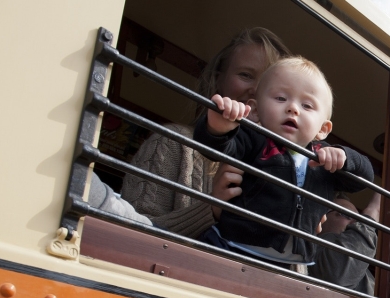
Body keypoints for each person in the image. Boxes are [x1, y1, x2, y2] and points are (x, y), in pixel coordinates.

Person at [193, 56, 374, 266]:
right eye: (280, 98)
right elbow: (216, 149)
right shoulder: (253, 138)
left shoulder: (323, 157)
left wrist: (345, 157)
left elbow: (364, 179)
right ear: (255, 110)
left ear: (323, 129)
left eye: (307, 105)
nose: (293, 109)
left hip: (291, 262)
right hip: (231, 246)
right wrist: (218, 127)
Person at [120, 28, 292, 237]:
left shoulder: (289, 169)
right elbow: (127, 233)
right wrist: (211, 209)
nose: (256, 89)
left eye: (268, 83)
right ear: (219, 79)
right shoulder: (171, 142)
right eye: (246, 75)